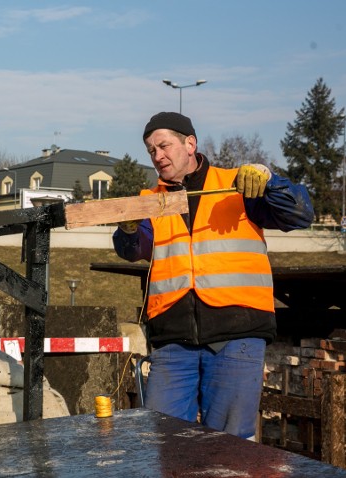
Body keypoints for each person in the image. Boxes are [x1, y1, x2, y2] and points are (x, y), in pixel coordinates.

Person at [113, 111, 314, 439]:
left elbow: (300, 214)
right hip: (173, 339)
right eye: (151, 150)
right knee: (164, 444)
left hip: (237, 335)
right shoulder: (150, 201)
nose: (157, 156)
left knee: (230, 446)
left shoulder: (240, 185)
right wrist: (128, 227)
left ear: (190, 143)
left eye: (164, 146)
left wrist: (270, 180)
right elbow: (134, 248)